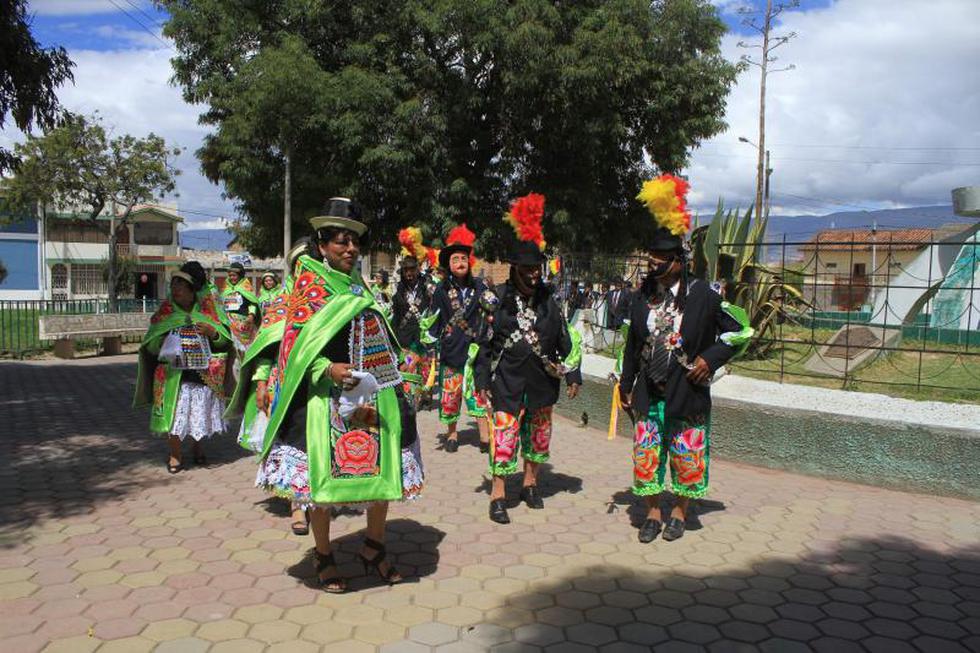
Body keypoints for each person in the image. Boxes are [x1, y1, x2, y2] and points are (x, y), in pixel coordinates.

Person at [255, 197, 423, 592]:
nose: (350, 249)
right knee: (322, 484)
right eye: (341, 241)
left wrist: (402, 361)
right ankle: (324, 554)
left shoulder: (357, 285)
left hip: (374, 393)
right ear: (322, 244)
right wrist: (326, 369)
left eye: (355, 242)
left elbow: (376, 333)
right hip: (325, 400)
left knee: (385, 472)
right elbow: (293, 348)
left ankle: (374, 547)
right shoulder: (308, 288)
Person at [620, 175, 752, 543]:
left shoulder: (703, 295)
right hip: (649, 391)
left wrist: (710, 359)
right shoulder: (642, 297)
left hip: (688, 392)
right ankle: (652, 513)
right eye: (652, 257)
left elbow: (740, 330)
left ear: (679, 261)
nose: (654, 264)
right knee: (646, 454)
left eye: (661, 258)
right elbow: (632, 344)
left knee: (686, 455)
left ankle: (679, 512)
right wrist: (625, 384)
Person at [475, 193, 582, 524]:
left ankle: (530, 484)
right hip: (506, 381)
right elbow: (483, 343)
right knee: (504, 437)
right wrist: (481, 379)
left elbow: (564, 338)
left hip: (542, 382)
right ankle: (498, 494)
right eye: (528, 268)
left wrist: (573, 373)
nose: (535, 274)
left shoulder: (550, 299)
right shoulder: (496, 298)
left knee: (538, 436)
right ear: (515, 269)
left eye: (537, 267)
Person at [227, 238, 312, 534]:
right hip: (283, 382)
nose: (307, 270)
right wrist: (262, 382)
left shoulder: (328, 300)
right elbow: (266, 349)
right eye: (301, 264)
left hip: (320, 382)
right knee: (290, 440)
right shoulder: (281, 304)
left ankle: (320, 494)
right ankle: (297, 505)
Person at [134, 261, 234, 473]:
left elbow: (225, 343)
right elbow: (149, 346)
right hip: (173, 376)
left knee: (198, 413)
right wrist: (162, 341)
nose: (176, 290)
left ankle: (197, 447)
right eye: (173, 286)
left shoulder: (207, 314)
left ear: (192, 291)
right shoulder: (165, 315)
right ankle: (175, 454)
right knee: (175, 415)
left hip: (200, 374)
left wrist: (212, 333)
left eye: (181, 286)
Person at [429, 224, 492, 454]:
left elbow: (490, 311)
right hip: (452, 348)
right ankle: (452, 434)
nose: (460, 262)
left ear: (469, 261)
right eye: (455, 259)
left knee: (479, 393)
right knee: (450, 395)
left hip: (475, 349)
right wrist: (431, 339)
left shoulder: (480, 287)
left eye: (463, 258)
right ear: (449, 264)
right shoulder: (441, 290)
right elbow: (434, 318)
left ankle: (484, 436)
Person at [392, 254, 434, 406]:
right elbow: (396, 316)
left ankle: (424, 396)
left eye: (411, 269)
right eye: (406, 270)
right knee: (407, 366)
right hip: (404, 337)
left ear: (417, 270)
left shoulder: (427, 287)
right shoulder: (399, 289)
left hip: (422, 337)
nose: (409, 273)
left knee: (423, 368)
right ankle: (409, 399)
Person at [220, 262, 261, 354]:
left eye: (234, 275)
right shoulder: (226, 289)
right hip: (228, 323)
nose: (232, 278)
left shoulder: (246, 289)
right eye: (230, 275)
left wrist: (251, 316)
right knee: (231, 349)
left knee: (243, 349)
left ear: (240, 275)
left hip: (243, 323)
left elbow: (252, 303)